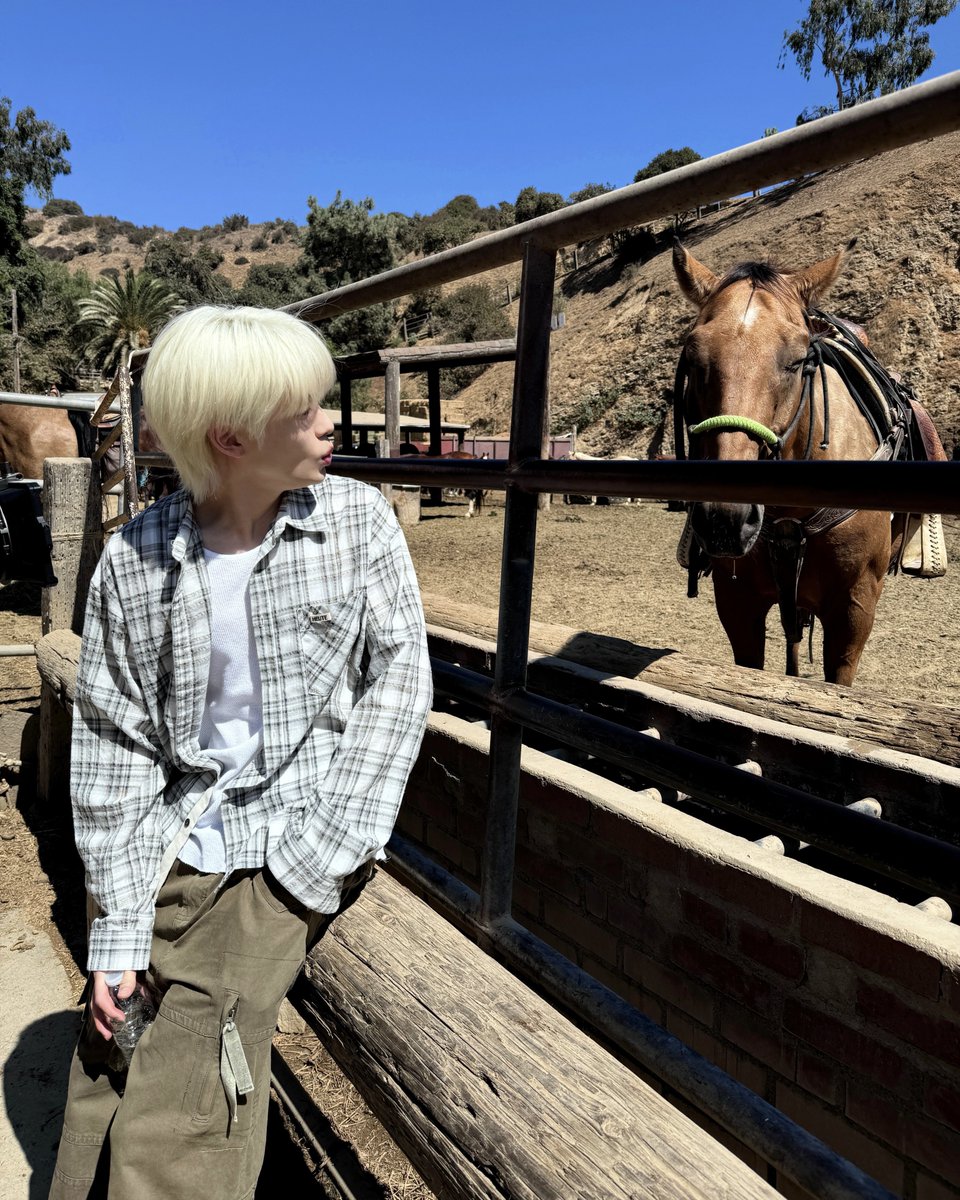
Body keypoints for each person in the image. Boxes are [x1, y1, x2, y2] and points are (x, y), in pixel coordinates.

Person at [49, 305, 433, 1200]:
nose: (331, 421)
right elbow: (115, 747)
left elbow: (399, 686)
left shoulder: (357, 525)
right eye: (305, 410)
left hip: (292, 843)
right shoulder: (135, 561)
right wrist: (115, 931)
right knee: (107, 1050)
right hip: (176, 841)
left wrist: (313, 862)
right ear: (228, 436)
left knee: (185, 1089)